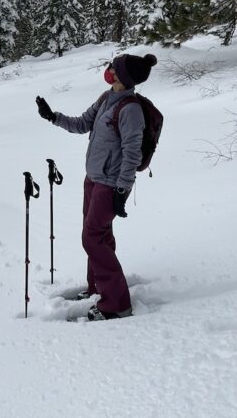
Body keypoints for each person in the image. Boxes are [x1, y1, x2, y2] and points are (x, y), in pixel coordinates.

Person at [34, 52, 157, 321]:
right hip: (93, 180)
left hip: (110, 185)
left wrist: (122, 191)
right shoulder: (106, 99)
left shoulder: (131, 110)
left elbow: (132, 153)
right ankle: (98, 288)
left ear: (123, 77)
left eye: (114, 67)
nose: (108, 69)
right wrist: (53, 116)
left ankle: (117, 304)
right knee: (99, 236)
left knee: (92, 238)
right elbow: (81, 124)